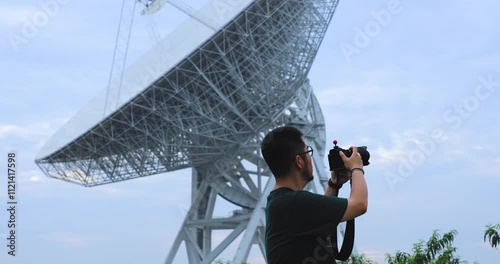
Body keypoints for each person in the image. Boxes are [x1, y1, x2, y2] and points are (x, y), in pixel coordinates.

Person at [261, 126, 368, 264]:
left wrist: (334, 184)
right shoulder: (295, 202)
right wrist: (356, 167)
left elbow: (318, 214)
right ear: (299, 161)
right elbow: (359, 204)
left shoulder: (281, 201)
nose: (310, 158)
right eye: (308, 152)